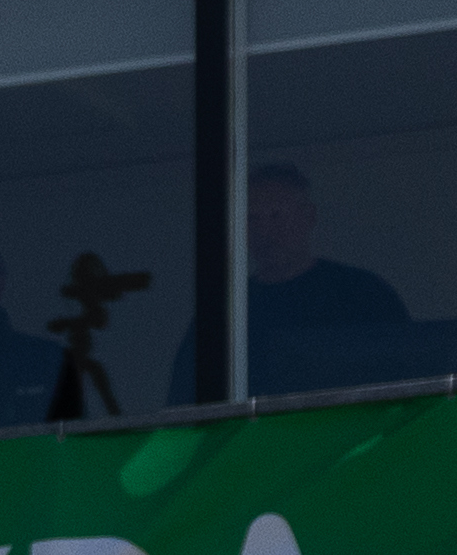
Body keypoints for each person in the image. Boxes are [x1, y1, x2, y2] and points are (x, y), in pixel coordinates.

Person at [171, 160, 419, 404]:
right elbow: (185, 399)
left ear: (308, 216)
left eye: (276, 215)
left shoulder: (362, 294)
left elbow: (407, 383)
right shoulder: (222, 314)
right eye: (252, 218)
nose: (264, 231)